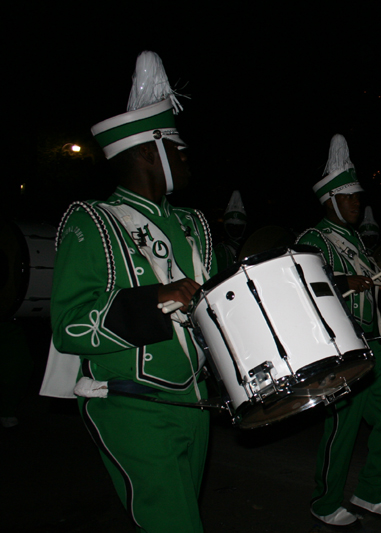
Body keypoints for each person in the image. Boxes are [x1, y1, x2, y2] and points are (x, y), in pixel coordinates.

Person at [40, 51, 215, 533]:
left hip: (195, 403)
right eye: (177, 149)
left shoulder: (193, 223)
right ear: (146, 152)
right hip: (129, 404)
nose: (185, 157)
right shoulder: (91, 221)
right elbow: (71, 325)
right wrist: (160, 298)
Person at [296, 134, 381, 528]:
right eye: (351, 198)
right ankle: (324, 502)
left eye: (359, 198)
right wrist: (345, 282)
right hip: (340, 348)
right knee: (341, 428)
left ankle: (370, 490)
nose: (358, 203)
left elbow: (362, 280)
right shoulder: (312, 239)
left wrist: (378, 283)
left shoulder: (356, 241)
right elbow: (303, 290)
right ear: (330, 201)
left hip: (370, 343)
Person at [213, 190, 247, 270]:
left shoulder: (251, 245)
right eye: (231, 226)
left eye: (238, 226)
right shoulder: (221, 250)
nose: (235, 229)